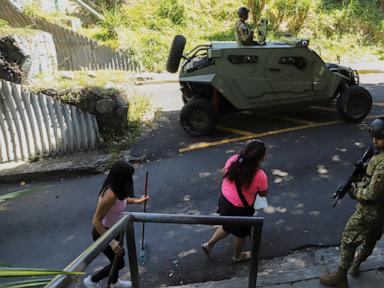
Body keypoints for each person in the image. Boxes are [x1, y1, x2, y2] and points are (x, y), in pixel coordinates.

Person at [319, 118, 384, 288]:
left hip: (370, 211)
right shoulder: (378, 157)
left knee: (348, 241)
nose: (375, 141)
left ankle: (340, 277)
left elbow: (371, 194)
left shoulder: (382, 164)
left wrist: (354, 190)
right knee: (371, 240)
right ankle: (356, 264)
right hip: (381, 214)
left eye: (379, 138)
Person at [83, 161, 149, 288]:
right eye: (128, 177)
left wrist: (138, 200)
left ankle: (114, 282)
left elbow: (123, 200)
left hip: (115, 229)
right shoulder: (110, 195)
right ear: (121, 178)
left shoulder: (119, 188)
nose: (130, 180)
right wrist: (112, 242)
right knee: (119, 263)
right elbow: (96, 220)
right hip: (103, 232)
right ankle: (92, 280)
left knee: (118, 258)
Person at [201, 139, 268, 262]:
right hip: (240, 209)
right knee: (240, 234)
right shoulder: (259, 175)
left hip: (224, 201)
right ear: (260, 158)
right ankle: (237, 256)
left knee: (227, 226)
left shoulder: (233, 159)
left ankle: (209, 245)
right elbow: (263, 193)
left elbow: (224, 173)